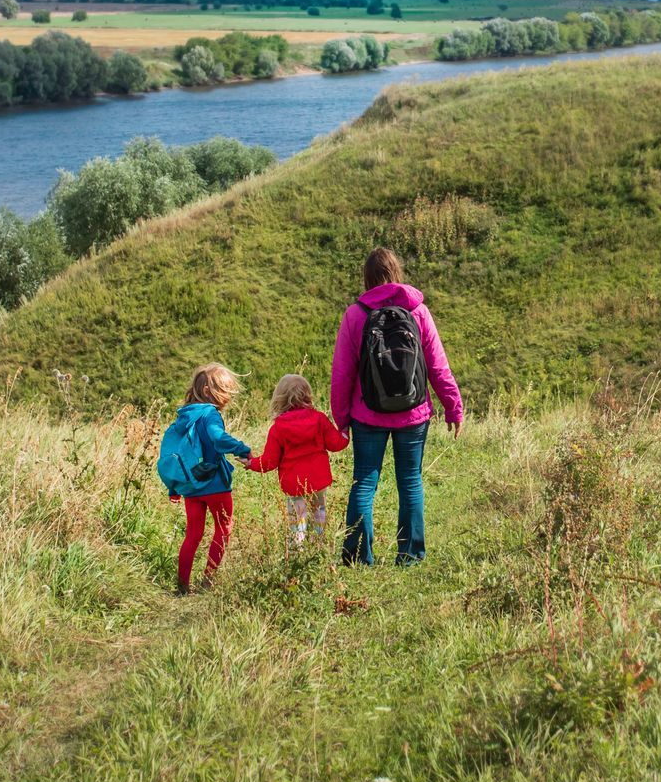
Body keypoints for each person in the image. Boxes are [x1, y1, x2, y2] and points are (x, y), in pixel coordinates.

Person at [330, 246, 462, 566]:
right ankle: (410, 555)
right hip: (413, 413)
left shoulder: (356, 314)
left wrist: (342, 417)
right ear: (397, 272)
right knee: (410, 481)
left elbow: (342, 371)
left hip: (368, 414)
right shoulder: (418, 311)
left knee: (364, 481)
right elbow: (437, 365)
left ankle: (359, 557)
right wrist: (452, 406)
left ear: (367, 278)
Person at [163, 362, 253, 594]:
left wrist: (174, 487)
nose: (227, 397)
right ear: (207, 392)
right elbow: (218, 439)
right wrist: (242, 449)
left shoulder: (183, 417)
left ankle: (182, 585)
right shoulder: (209, 414)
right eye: (224, 391)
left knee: (193, 534)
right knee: (224, 528)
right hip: (215, 485)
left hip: (191, 487)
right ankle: (208, 580)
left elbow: (175, 452)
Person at [245, 373, 350, 544]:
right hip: (318, 479)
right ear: (307, 394)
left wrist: (251, 463)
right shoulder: (319, 419)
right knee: (319, 510)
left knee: (297, 516)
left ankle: (297, 545)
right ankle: (318, 542)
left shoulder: (278, 428)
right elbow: (335, 444)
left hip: (294, 484)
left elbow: (269, 462)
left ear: (280, 398)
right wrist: (345, 433)